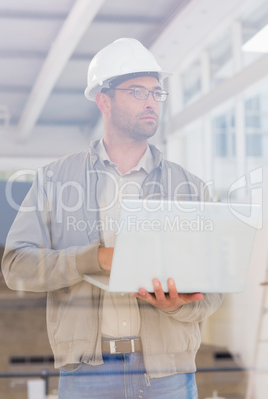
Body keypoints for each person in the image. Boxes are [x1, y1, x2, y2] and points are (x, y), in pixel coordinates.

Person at [2, 38, 223, 398]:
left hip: (168, 374)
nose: (151, 101)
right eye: (138, 91)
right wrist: (94, 259)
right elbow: (15, 266)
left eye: (156, 93)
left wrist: (179, 305)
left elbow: (214, 288)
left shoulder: (190, 187)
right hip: (87, 374)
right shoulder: (55, 180)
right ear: (103, 100)